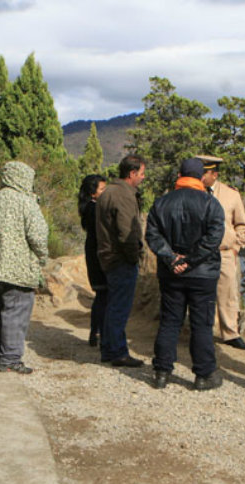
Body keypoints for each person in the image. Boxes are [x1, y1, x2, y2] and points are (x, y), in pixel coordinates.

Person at [145, 158, 226, 390]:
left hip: (172, 273)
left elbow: (152, 235)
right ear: (201, 177)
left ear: (179, 174)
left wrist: (172, 259)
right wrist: (190, 261)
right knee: (201, 324)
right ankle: (204, 375)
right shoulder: (211, 203)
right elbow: (213, 239)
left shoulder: (161, 203)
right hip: (203, 274)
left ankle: (162, 372)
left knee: (170, 321)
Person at [0, 161, 48, 374]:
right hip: (18, 269)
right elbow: (38, 236)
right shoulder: (27, 203)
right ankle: (11, 358)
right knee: (16, 312)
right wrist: (42, 258)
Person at [95, 154, 147, 367]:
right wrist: (135, 257)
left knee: (112, 305)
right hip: (120, 259)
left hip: (107, 257)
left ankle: (108, 348)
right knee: (119, 307)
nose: (143, 178)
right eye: (142, 174)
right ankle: (118, 351)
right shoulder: (124, 196)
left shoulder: (107, 192)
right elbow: (127, 233)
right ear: (132, 173)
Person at [198, 155, 245, 350]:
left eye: (206, 174)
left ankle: (230, 333)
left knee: (228, 295)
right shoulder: (191, 192)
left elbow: (241, 224)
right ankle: (201, 332)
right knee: (200, 294)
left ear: (215, 174)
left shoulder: (231, 194)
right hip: (199, 254)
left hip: (224, 253)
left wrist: (237, 247)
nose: (202, 177)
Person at [78, 174, 108, 347]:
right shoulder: (95, 209)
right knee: (104, 296)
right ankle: (101, 333)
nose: (105, 192)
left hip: (93, 252)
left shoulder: (88, 208)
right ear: (92, 193)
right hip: (99, 254)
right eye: (102, 189)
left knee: (101, 296)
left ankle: (95, 332)